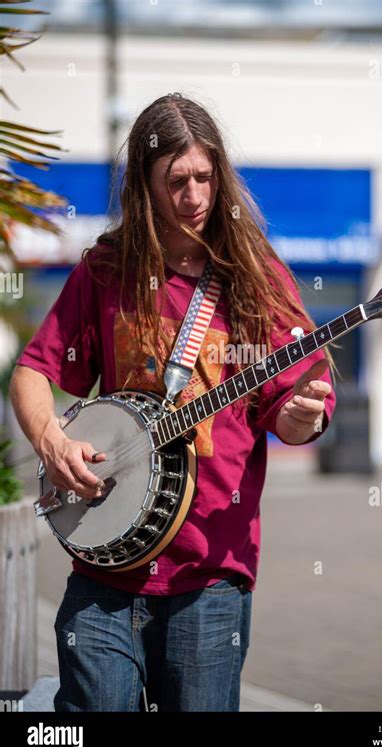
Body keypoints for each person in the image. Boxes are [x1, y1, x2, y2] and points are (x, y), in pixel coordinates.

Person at [9, 93, 336, 712]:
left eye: (205, 178)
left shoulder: (258, 279)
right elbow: (31, 370)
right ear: (144, 184)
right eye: (176, 181)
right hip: (103, 573)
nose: (194, 197)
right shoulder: (108, 270)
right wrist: (52, 441)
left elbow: (295, 408)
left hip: (209, 581)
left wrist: (299, 418)